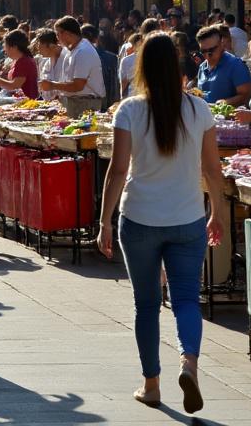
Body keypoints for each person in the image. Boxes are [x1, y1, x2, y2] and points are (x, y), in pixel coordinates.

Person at [97, 33, 226, 414]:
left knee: (146, 304)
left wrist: (104, 221)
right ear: (178, 64)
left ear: (142, 67)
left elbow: (118, 171)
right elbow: (212, 170)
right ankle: (189, 363)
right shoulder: (199, 110)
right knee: (187, 299)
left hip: (139, 218)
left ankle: (151, 384)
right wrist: (217, 210)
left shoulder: (130, 110)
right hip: (188, 218)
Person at [40, 16, 105, 116]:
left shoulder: (83, 51)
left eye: (58, 35)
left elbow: (77, 85)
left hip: (85, 104)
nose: (57, 39)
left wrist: (52, 85)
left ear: (66, 34)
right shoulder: (69, 50)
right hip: (73, 102)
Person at [195, 25, 250, 106]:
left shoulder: (235, 65)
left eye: (211, 50)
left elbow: (246, 95)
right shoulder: (202, 67)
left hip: (227, 117)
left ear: (222, 44)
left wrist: (224, 103)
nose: (207, 55)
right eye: (203, 51)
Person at [0, 29, 38, 99]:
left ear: (14, 47)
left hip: (26, 102)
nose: (4, 50)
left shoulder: (24, 61)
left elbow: (15, 86)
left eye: (5, 46)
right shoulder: (18, 60)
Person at [82, 24, 121, 108]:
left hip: (82, 100)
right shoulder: (112, 58)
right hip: (105, 101)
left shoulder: (76, 55)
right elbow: (114, 85)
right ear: (97, 38)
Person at [34, 29, 61, 99]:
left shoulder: (67, 60)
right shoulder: (46, 63)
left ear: (51, 45)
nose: (38, 48)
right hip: (49, 105)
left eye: (40, 44)